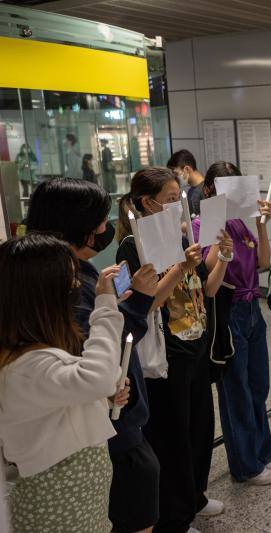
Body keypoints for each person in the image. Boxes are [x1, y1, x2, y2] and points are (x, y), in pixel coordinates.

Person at [26, 177, 161, 533]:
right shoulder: (65, 282)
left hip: (105, 420)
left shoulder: (72, 272)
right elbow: (103, 353)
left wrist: (111, 300)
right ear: (77, 225)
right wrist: (135, 302)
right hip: (111, 426)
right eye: (100, 220)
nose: (106, 228)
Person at [117, 166, 233, 532]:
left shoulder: (181, 238)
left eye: (178, 198)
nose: (176, 205)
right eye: (169, 199)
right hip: (167, 356)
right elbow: (145, 305)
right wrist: (181, 267)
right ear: (147, 202)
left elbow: (207, 290)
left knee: (199, 428)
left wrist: (222, 256)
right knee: (172, 438)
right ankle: (175, 517)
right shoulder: (132, 245)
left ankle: (194, 496)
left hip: (195, 343)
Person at [0, 233, 124, 533]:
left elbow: (60, 409)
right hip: (56, 502)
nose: (76, 287)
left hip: (77, 499)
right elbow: (97, 378)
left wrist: (102, 400)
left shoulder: (38, 355)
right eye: (70, 281)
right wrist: (106, 305)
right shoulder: (24, 366)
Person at [192, 161, 271, 486]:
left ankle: (261, 450)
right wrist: (220, 244)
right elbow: (206, 276)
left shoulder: (242, 225)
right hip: (228, 311)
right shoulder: (204, 223)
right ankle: (245, 464)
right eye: (223, 185)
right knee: (236, 391)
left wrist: (261, 224)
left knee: (258, 385)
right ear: (209, 190)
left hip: (252, 311)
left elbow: (263, 262)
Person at [167, 149, 205, 217]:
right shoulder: (191, 191)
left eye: (176, 173)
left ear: (187, 169)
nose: (175, 178)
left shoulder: (205, 190)